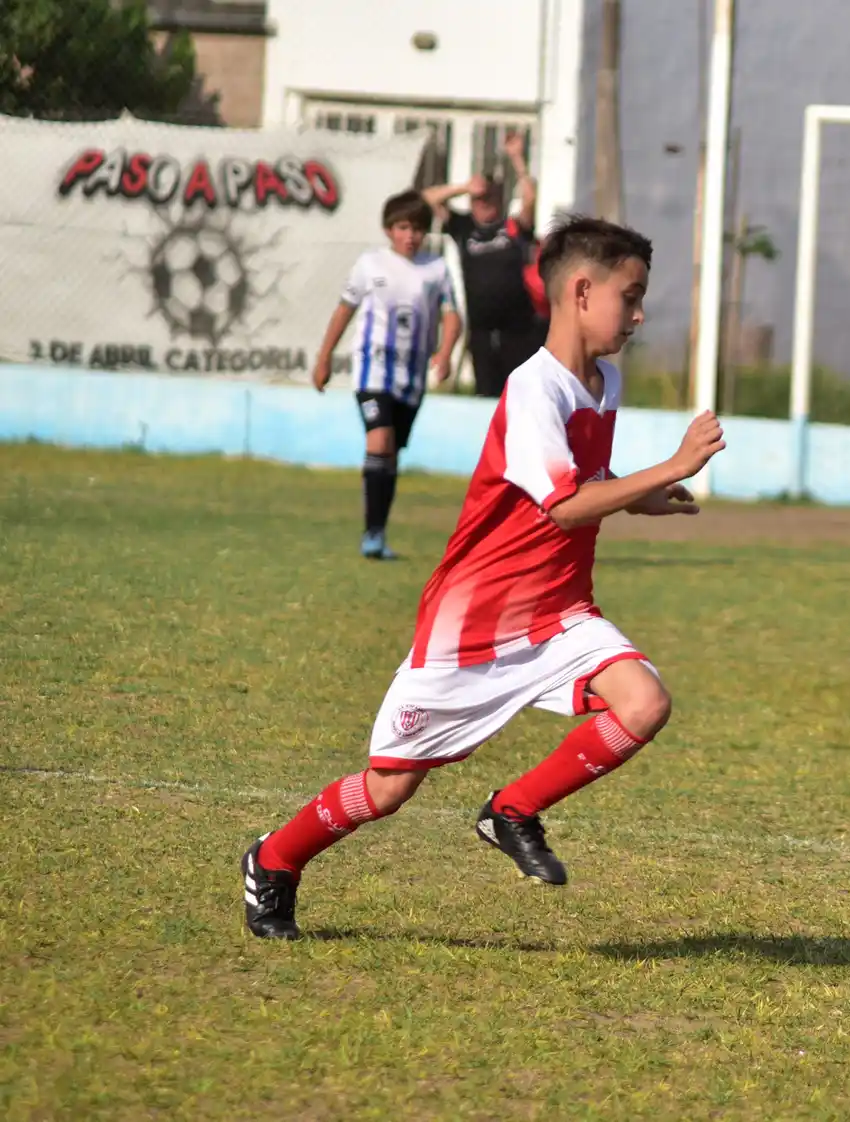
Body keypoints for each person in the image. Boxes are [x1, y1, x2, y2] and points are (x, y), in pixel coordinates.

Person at [242, 215, 726, 940]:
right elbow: (562, 507)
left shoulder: (605, 380)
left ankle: (513, 810)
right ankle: (274, 860)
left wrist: (638, 492)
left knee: (643, 702)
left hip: (559, 610)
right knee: (389, 787)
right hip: (475, 622)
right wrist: (671, 467)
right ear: (582, 292)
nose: (639, 313)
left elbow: (580, 478)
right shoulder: (536, 389)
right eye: (631, 296)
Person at [313, 189, 461, 560]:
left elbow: (452, 315)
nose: (409, 236)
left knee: (391, 454)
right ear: (388, 230)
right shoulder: (370, 264)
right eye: (402, 227)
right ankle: (371, 536)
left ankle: (377, 532)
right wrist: (324, 356)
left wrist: (444, 352)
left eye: (416, 229)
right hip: (372, 371)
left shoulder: (436, 269)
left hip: (411, 378)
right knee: (379, 442)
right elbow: (344, 309)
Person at [423, 130, 548, 398]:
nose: (485, 206)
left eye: (490, 199)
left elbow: (530, 197)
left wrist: (518, 160)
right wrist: (465, 187)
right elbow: (428, 199)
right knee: (486, 393)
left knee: (519, 394)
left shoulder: (512, 226)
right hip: (481, 328)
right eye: (479, 200)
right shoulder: (463, 227)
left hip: (519, 329)